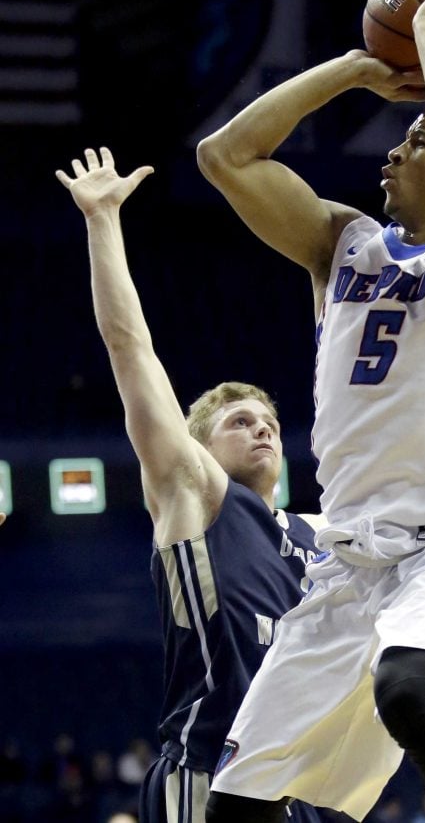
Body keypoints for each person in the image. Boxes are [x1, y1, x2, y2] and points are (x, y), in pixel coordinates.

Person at [198, 0, 425, 823]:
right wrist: (355, 68)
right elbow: (224, 156)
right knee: (235, 807)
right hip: (343, 567)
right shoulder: (342, 247)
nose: (391, 149)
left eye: (414, 140)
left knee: (410, 690)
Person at [55, 148, 332, 823]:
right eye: (240, 422)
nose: (262, 430)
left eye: (268, 421)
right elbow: (129, 346)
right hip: (210, 773)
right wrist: (102, 221)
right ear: (200, 446)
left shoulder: (320, 535)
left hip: (302, 791)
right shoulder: (196, 491)